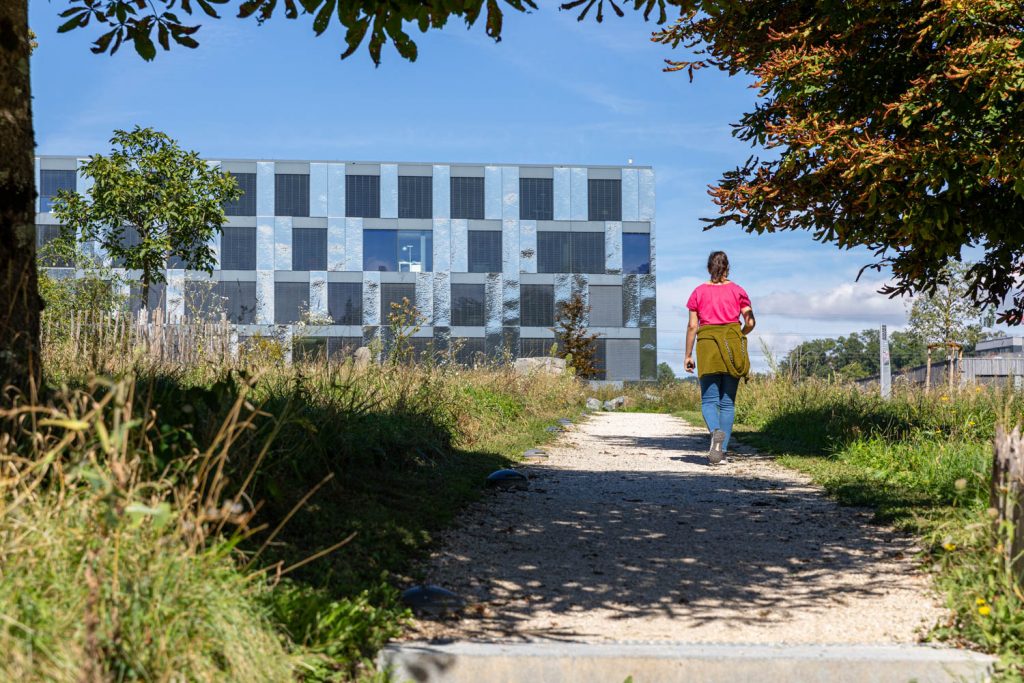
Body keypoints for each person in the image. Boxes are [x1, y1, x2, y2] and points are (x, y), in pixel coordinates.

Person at [684, 251, 755, 465]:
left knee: (709, 400)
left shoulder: (698, 292)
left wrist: (688, 355)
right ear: (728, 268)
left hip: (707, 344)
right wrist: (737, 336)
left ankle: (715, 432)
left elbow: (692, 326)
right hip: (732, 344)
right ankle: (721, 453)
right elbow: (750, 322)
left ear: (708, 268)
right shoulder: (738, 290)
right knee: (727, 403)